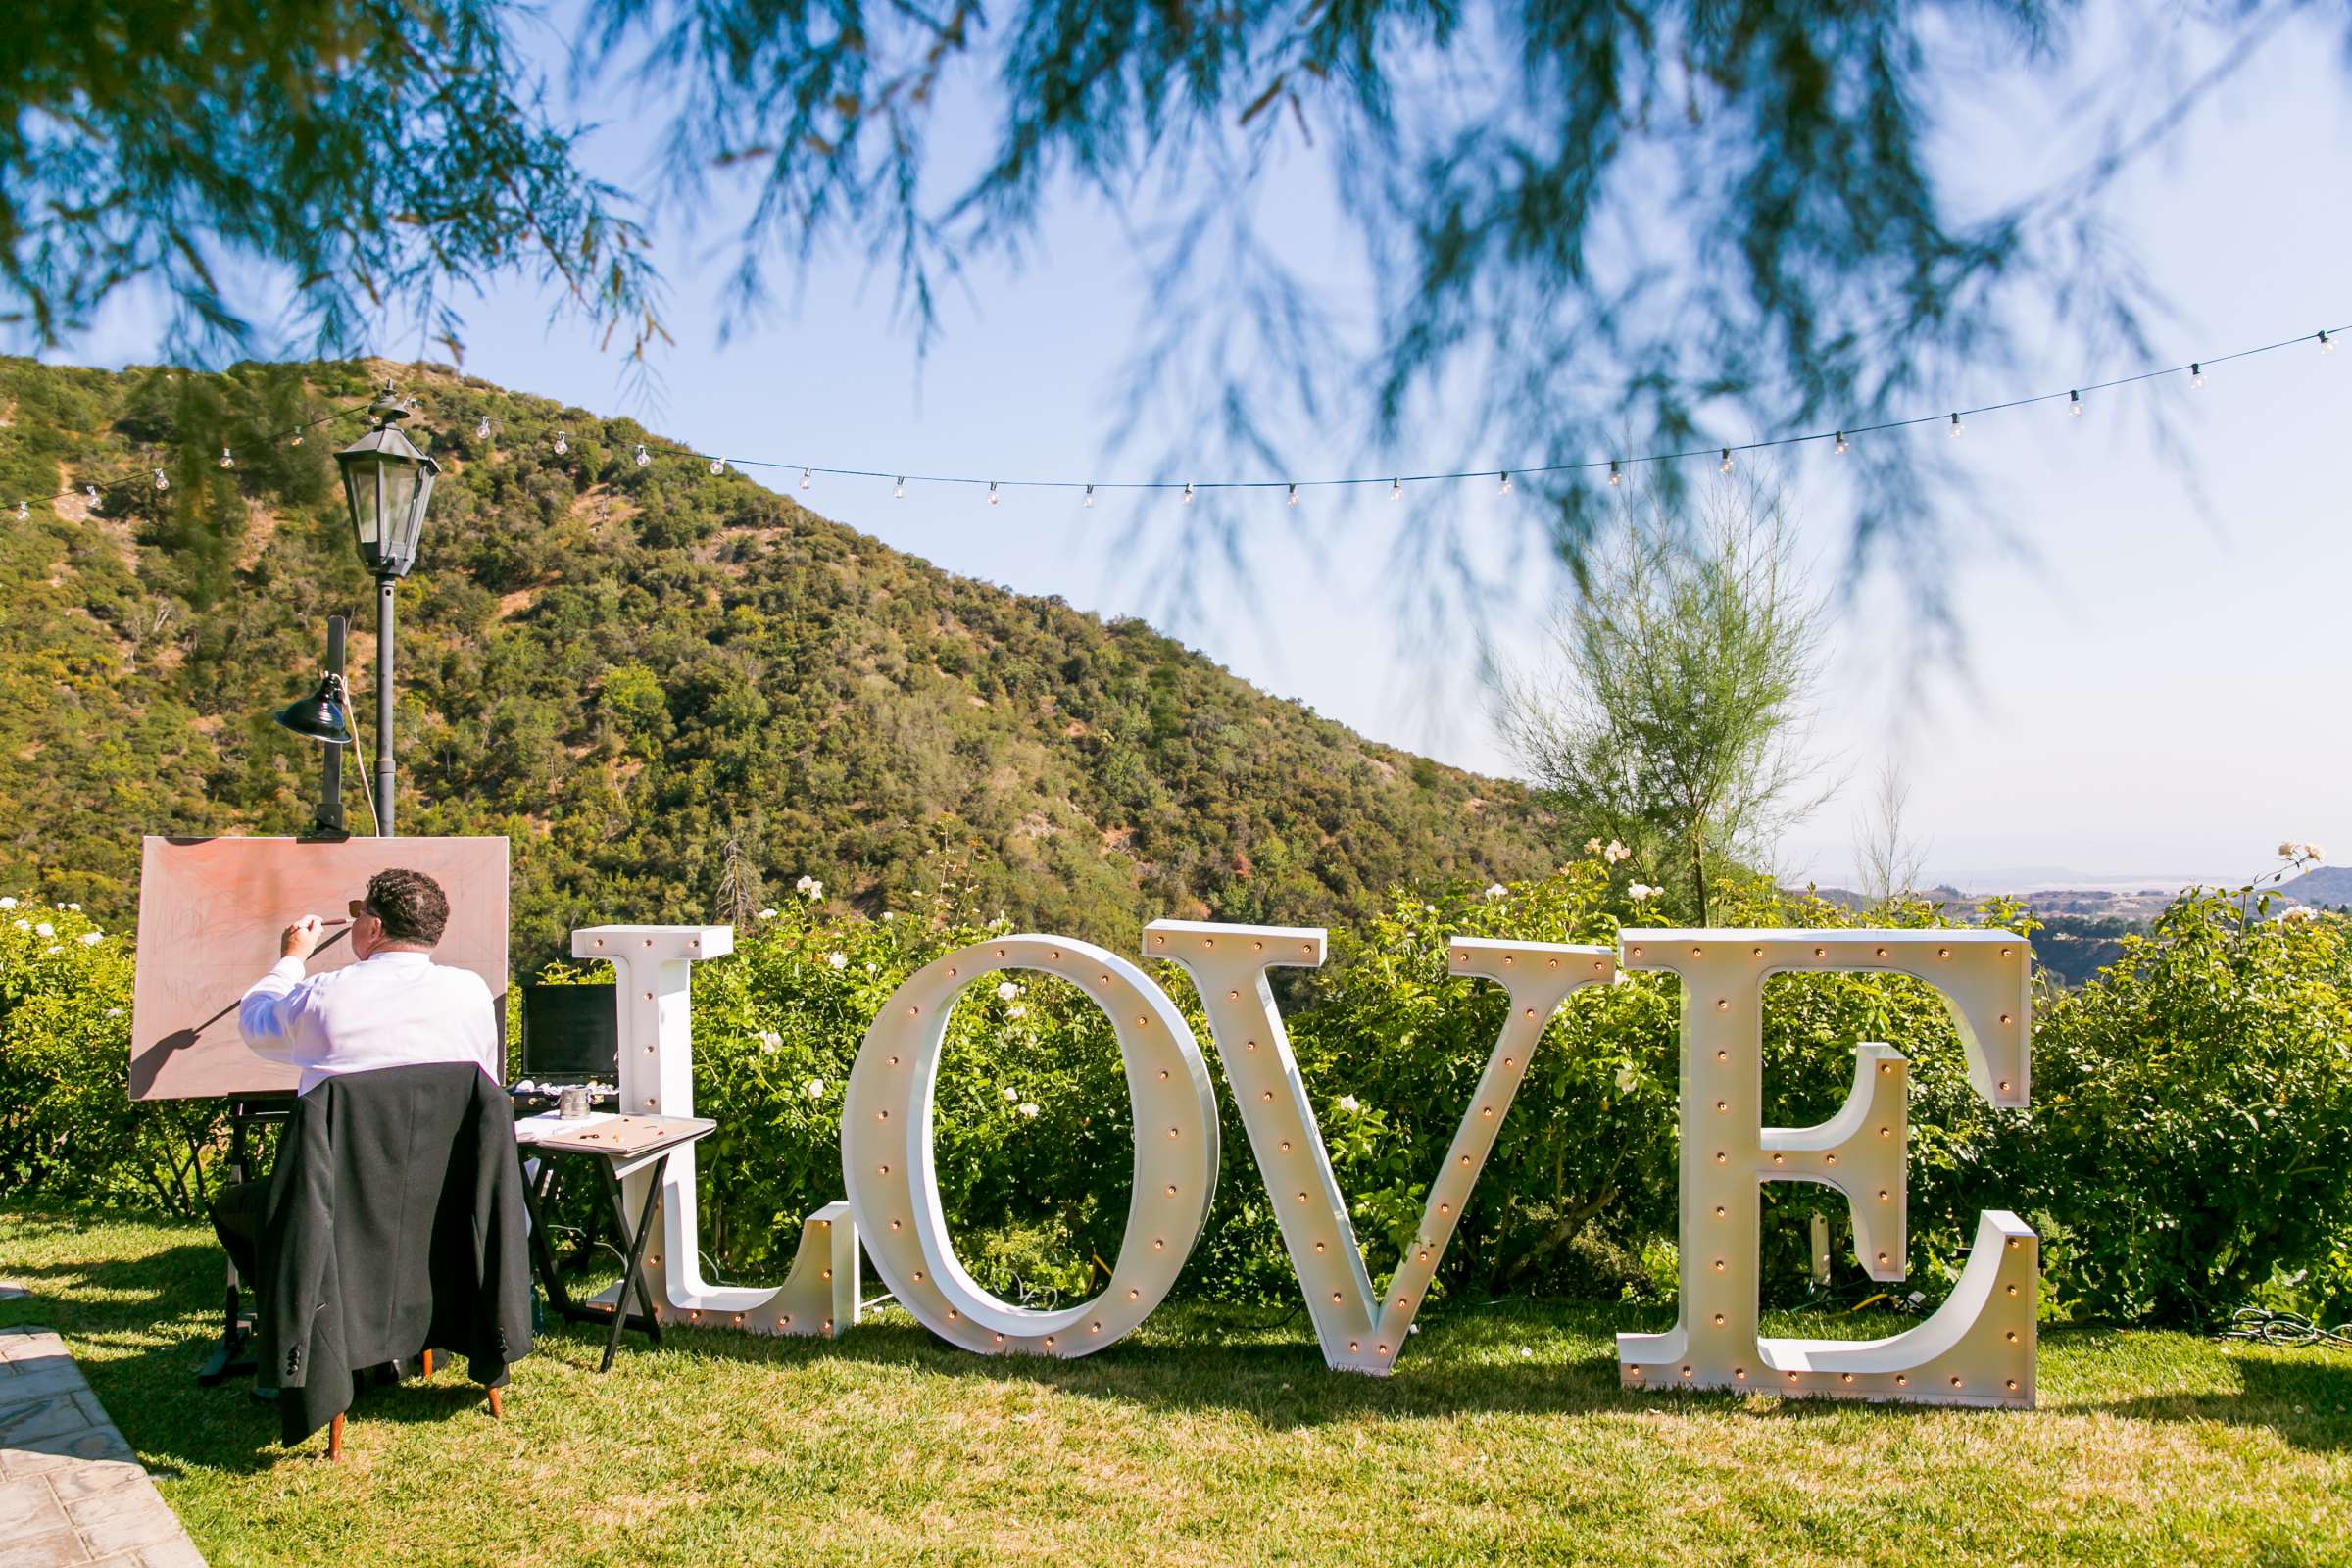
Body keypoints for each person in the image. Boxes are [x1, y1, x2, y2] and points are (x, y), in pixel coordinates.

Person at [209, 867, 501, 1282]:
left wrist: (292, 959)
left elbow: (256, 1022)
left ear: (374, 926)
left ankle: (296, 1311)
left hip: (337, 1203)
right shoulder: (472, 992)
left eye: (358, 913)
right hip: (442, 1196)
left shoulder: (325, 994)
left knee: (234, 1207)